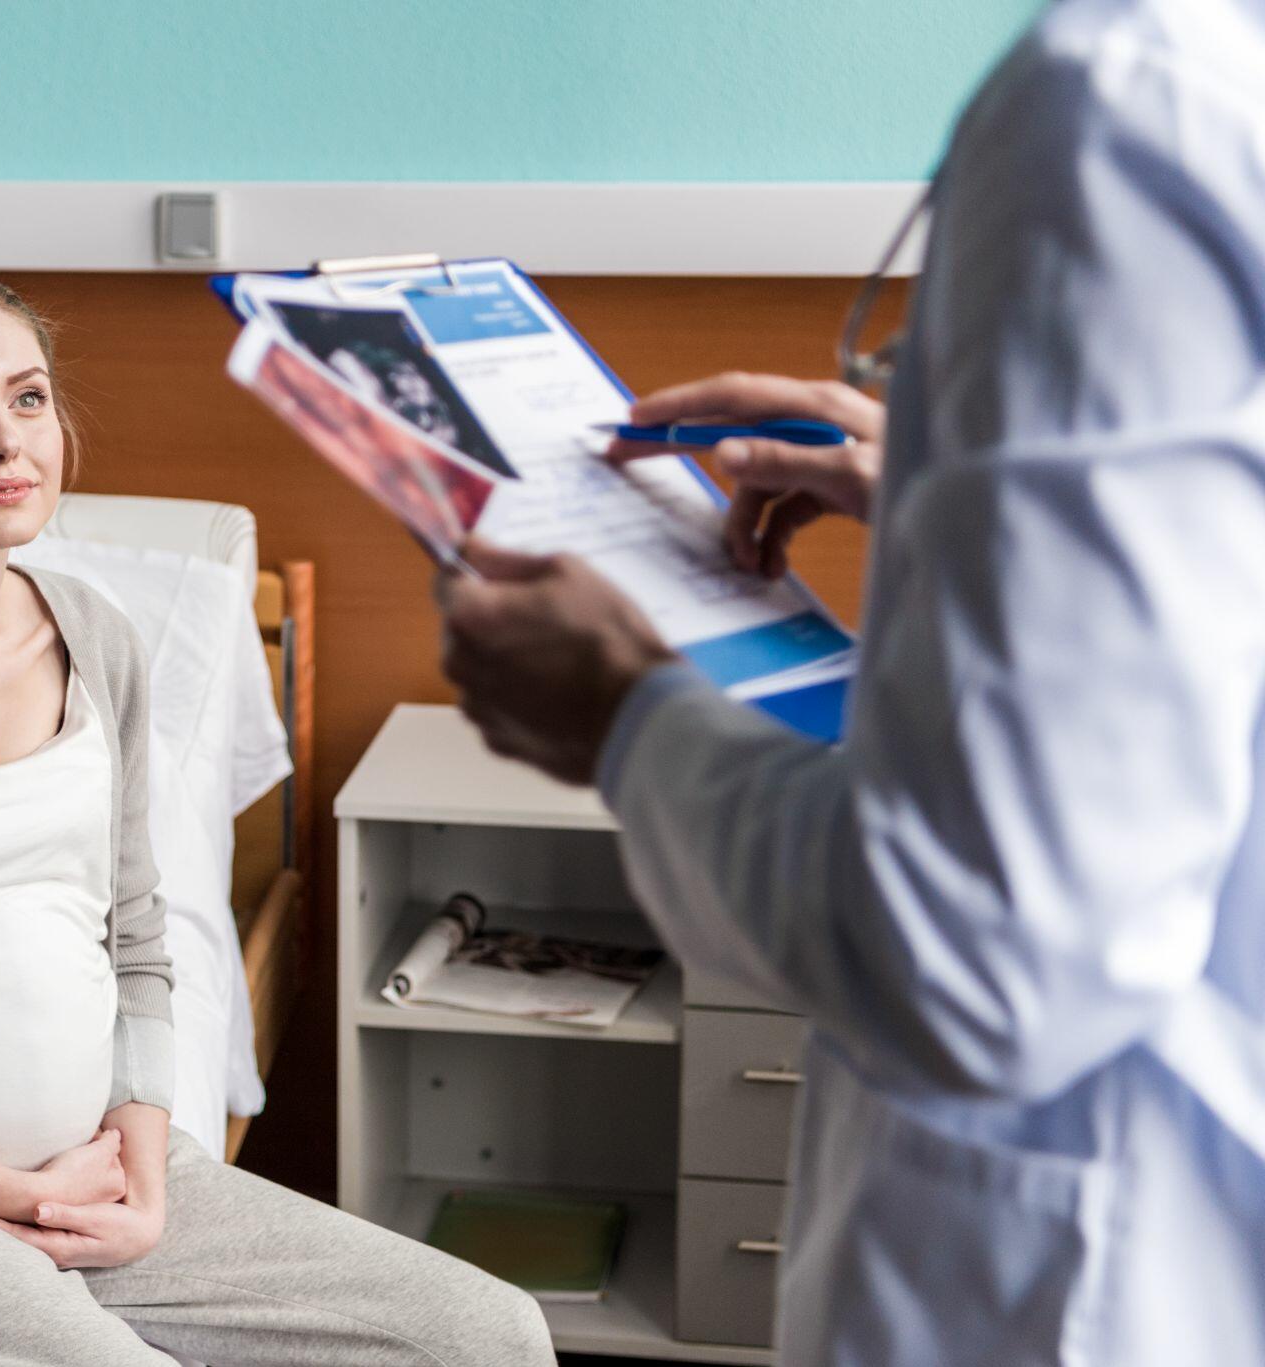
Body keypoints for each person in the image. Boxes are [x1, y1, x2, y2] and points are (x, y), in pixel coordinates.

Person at [436, 1, 1265, 1363]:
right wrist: (959, 497)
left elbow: (979, 954)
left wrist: (628, 716)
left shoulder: (1128, 106)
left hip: (1100, 1274)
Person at [0, 271, 554, 1366]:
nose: (3, 440)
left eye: (27, 397)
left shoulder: (97, 639)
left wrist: (139, 1158)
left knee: (487, 1335)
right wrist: (13, 1196)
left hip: (96, 1169)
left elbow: (136, 935)